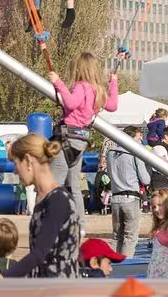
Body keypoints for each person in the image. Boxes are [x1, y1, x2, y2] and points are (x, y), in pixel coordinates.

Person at [49, 51, 119, 218]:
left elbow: (71, 103)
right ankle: (79, 224)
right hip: (81, 139)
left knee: (54, 183)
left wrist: (58, 83)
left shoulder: (81, 86)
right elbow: (113, 105)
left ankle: (50, 220)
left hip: (67, 137)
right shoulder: (99, 91)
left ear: (79, 69)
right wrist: (113, 83)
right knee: (74, 185)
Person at [0, 134, 80, 278]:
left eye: (16, 163)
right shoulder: (46, 199)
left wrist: (3, 278)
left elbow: (40, 253)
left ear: (28, 161)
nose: (15, 171)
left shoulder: (57, 201)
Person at [106, 126, 151, 257]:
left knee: (116, 236)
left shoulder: (111, 153)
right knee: (130, 237)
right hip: (131, 197)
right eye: (138, 137)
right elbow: (145, 179)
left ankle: (113, 265)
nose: (141, 140)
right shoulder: (134, 153)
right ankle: (126, 267)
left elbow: (109, 173)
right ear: (131, 138)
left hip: (115, 198)